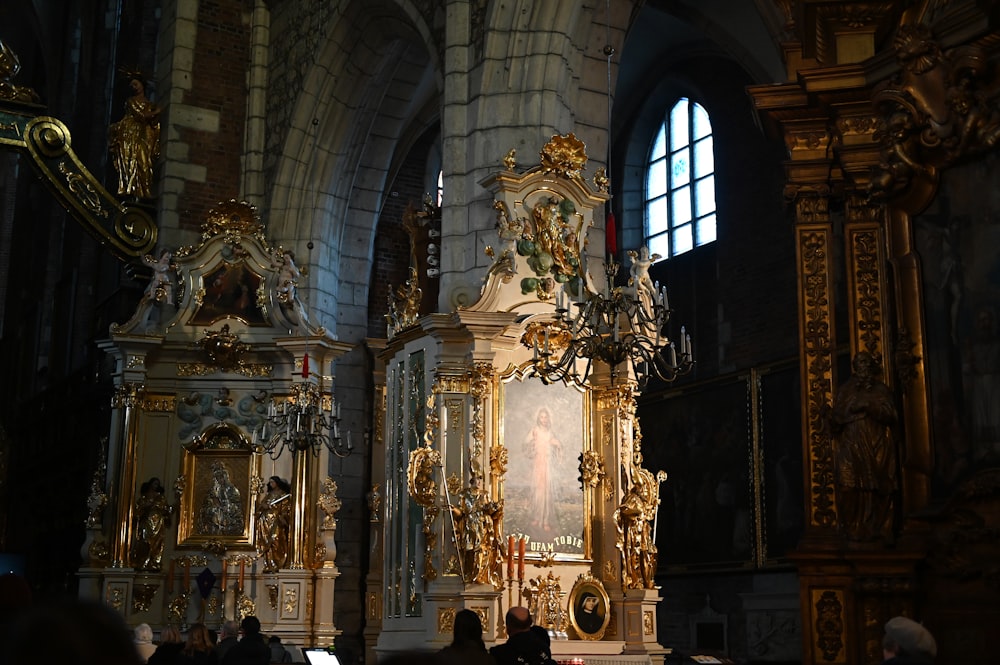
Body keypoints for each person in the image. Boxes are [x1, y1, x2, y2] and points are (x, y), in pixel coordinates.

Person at [830, 351, 898, 542]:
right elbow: (837, 418)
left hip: (875, 443)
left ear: (871, 367)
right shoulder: (846, 391)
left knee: (877, 488)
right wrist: (833, 418)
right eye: (859, 365)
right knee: (847, 487)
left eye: (866, 364)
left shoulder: (881, 390)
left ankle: (875, 528)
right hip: (851, 445)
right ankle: (851, 527)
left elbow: (890, 415)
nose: (863, 368)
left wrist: (867, 405)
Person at [109, 76, 161, 198]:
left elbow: (153, 123)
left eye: (136, 84)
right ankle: (130, 188)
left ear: (142, 85)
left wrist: (155, 116)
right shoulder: (131, 101)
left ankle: (145, 189)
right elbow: (140, 115)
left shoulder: (149, 104)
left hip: (142, 134)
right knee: (129, 160)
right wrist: (157, 112)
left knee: (144, 161)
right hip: (129, 133)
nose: (134, 87)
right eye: (132, 85)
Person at [524, 407, 562, 533]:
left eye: (546, 417)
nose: (544, 419)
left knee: (546, 493)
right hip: (538, 464)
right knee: (537, 492)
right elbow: (526, 445)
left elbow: (557, 447)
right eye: (542, 417)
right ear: (538, 418)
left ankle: (545, 520)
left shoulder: (550, 433)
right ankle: (537, 517)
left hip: (547, 465)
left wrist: (556, 445)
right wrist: (532, 444)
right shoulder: (535, 431)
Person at [133, 476, 173, 571]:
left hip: (157, 523)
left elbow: (167, 509)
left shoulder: (160, 498)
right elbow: (138, 509)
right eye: (155, 483)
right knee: (144, 541)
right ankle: (142, 562)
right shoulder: (144, 497)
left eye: (157, 485)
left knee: (156, 544)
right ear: (150, 484)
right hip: (146, 521)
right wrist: (146, 507)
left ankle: (153, 562)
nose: (156, 486)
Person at [256, 476, 292, 573]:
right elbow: (260, 506)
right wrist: (263, 506)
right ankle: (269, 563)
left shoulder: (282, 495)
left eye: (273, 482)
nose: (271, 484)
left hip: (276, 521)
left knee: (276, 540)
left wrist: (277, 511)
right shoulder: (269, 495)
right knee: (268, 543)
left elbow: (285, 508)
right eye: (270, 482)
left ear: (277, 483)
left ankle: (278, 563)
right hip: (266, 521)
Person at [198, 461, 243, 536]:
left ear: (226, 477)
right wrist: (213, 507)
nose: (219, 480)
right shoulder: (212, 491)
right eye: (217, 478)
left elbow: (237, 508)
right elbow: (205, 508)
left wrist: (224, 506)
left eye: (221, 477)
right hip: (214, 519)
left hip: (229, 519)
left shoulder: (233, 490)